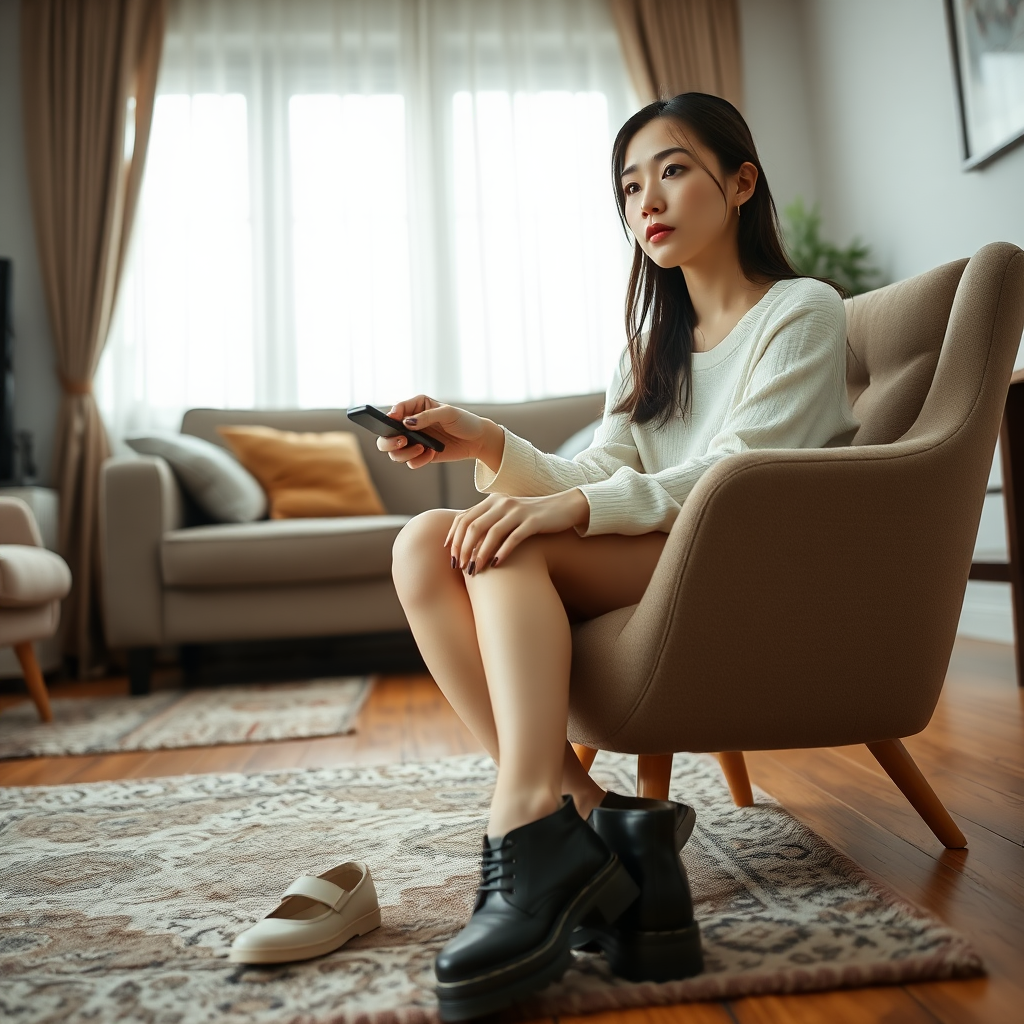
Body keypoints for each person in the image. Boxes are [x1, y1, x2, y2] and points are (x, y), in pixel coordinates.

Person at [378, 92, 859, 1019]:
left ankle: (527, 820)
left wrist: (565, 509)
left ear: (741, 183)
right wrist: (483, 440)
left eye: (673, 171)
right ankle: (594, 824)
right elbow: (601, 466)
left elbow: (737, 473)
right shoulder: (654, 346)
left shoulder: (802, 312)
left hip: (740, 562)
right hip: (658, 553)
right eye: (631, 186)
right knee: (424, 545)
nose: (649, 200)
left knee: (507, 547)